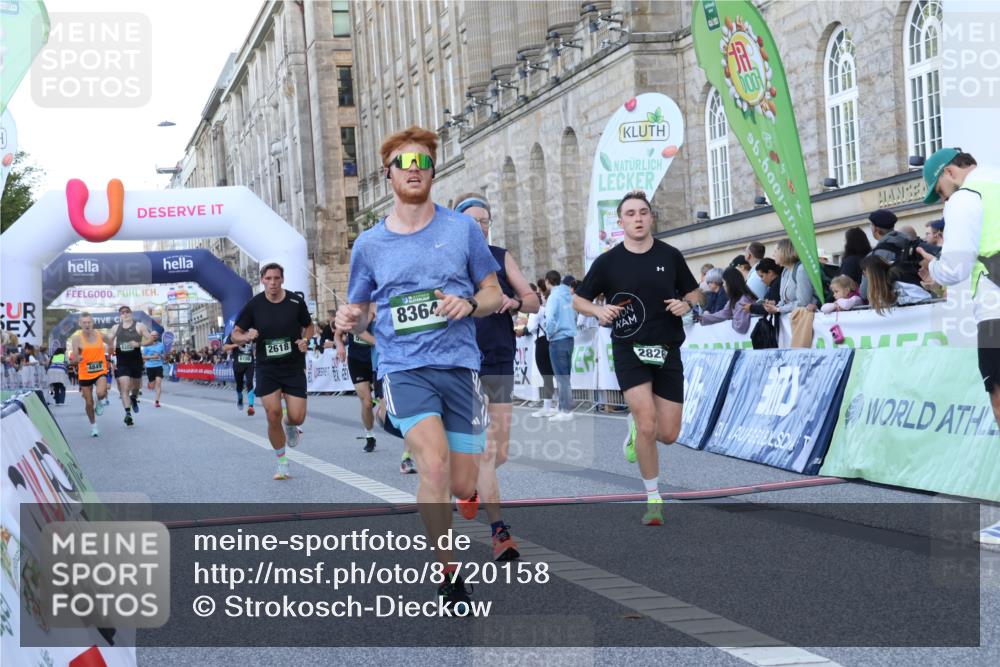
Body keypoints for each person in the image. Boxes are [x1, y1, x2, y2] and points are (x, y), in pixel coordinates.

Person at [335, 125, 502, 609]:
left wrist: (469, 304)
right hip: (404, 367)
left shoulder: (461, 229)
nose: (413, 171)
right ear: (388, 175)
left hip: (460, 365)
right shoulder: (368, 244)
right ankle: (449, 573)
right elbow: (361, 310)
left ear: (433, 170)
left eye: (422, 163)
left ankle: (467, 496)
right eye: (403, 165)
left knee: (462, 482)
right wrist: (350, 316)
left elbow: (493, 294)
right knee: (432, 462)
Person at [573, 190, 701, 526]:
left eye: (643, 212)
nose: (638, 218)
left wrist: (686, 304)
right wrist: (598, 310)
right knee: (647, 422)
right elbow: (579, 300)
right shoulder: (608, 262)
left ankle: (636, 433)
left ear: (651, 217)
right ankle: (653, 499)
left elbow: (694, 291)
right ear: (621, 222)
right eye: (630, 214)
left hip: (667, 348)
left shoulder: (670, 255)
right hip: (629, 349)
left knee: (668, 433)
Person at [457, 192, 540, 562]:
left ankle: (472, 487)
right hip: (463, 360)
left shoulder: (501, 257)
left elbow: (534, 299)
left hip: (499, 356)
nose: (480, 227)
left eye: (485, 221)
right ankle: (500, 531)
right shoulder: (451, 260)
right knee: (488, 449)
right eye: (473, 221)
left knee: (500, 451)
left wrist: (516, 302)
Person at [916, 147, 1000, 431]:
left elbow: (955, 268)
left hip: (995, 308)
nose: (944, 199)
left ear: (950, 172)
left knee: (999, 401)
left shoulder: (966, 197)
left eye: (941, 192)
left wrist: (934, 268)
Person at [231, 263, 314, 480]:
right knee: (273, 414)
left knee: (297, 417)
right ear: (262, 280)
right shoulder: (254, 305)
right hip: (267, 367)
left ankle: (291, 425)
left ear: (282, 279)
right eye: (268, 279)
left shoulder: (296, 301)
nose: (273, 283)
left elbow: (309, 325)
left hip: (293, 366)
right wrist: (246, 336)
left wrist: (305, 340)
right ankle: (282, 463)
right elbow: (235, 335)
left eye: (276, 278)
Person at [331, 305, 378, 452]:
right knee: (367, 403)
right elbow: (337, 335)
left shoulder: (380, 308)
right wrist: (339, 347)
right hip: (357, 360)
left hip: (377, 359)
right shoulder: (352, 311)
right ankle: (369, 435)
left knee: (383, 402)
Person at [106, 306, 158, 426]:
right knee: (124, 387)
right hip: (122, 362)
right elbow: (109, 341)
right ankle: (128, 414)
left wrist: (138, 343)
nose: (125, 314)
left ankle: (133, 398)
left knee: (136, 387)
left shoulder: (139, 326)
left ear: (131, 313)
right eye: (122, 312)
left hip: (136, 362)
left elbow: (150, 340)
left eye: (127, 312)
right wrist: (110, 346)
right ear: (120, 315)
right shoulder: (115, 328)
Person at [543, 270, 576, 422]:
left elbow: (550, 319)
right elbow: (574, 315)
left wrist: (549, 334)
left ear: (548, 281)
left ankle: (566, 410)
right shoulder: (568, 295)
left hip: (558, 338)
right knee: (566, 376)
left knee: (561, 377)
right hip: (569, 337)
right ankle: (565, 408)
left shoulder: (553, 297)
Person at [71, 313, 109, 437]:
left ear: (92, 323)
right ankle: (94, 426)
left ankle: (100, 401)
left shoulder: (100, 335)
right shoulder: (76, 338)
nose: (87, 325)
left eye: (89, 322)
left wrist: (112, 347)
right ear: (80, 324)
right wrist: (78, 358)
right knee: (88, 403)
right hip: (85, 373)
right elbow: (75, 357)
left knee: (101, 393)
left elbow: (111, 340)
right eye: (84, 323)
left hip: (100, 370)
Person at [763, 240, 818, 315]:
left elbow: (803, 302)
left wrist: (778, 309)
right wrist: (774, 306)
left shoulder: (801, 270)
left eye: (775, 251)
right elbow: (784, 300)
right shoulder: (785, 271)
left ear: (784, 252)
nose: (773, 255)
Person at [528, 279, 557, 417]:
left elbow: (531, 327)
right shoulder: (550, 310)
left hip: (541, 342)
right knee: (556, 374)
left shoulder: (536, 311)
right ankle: (559, 405)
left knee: (546, 376)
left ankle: (547, 407)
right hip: (553, 341)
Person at [699, 267, 754, 333]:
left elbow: (740, 327)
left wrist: (731, 319)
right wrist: (702, 318)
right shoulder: (734, 299)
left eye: (724, 282)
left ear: (731, 283)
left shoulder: (743, 300)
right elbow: (723, 314)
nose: (723, 285)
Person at [223, 334, 256, 416]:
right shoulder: (233, 334)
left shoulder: (251, 332)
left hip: (249, 363)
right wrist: (237, 344)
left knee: (249, 382)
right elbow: (225, 347)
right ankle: (240, 398)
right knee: (239, 385)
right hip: (238, 364)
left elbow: (258, 343)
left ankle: (251, 406)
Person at [141, 334, 166, 407]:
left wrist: (160, 356)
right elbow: (142, 357)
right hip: (150, 367)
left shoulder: (161, 345)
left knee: (158, 383)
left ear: (157, 337)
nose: (154, 336)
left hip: (159, 366)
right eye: (152, 335)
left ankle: (157, 401)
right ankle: (150, 383)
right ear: (150, 336)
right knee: (152, 386)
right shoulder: (147, 346)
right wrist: (152, 357)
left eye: (155, 335)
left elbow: (164, 356)